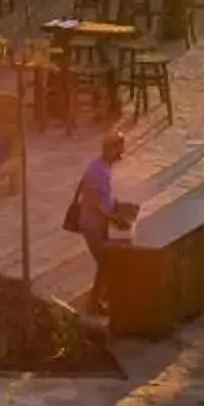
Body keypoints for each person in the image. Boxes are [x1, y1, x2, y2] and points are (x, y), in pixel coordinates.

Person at [64, 128, 132, 315]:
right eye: (120, 149)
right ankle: (94, 303)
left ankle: (105, 295)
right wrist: (114, 218)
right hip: (92, 225)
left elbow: (98, 193)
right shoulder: (99, 170)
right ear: (111, 149)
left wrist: (115, 204)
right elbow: (93, 200)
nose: (122, 153)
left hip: (99, 223)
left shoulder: (101, 165)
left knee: (108, 262)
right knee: (105, 264)